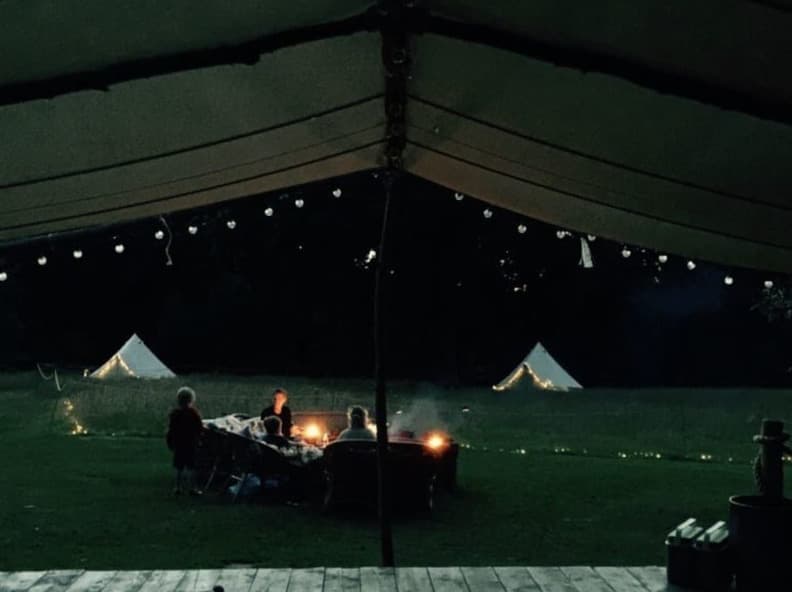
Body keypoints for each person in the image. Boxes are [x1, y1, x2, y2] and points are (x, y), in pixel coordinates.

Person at [166, 386, 203, 495]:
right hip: (191, 443)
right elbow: (199, 428)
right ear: (191, 399)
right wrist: (199, 439)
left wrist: (170, 441)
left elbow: (171, 429)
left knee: (179, 466)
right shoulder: (194, 413)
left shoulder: (175, 413)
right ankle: (193, 488)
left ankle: (177, 487)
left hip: (178, 443)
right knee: (192, 467)